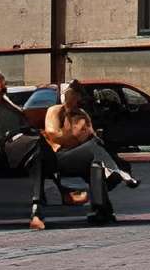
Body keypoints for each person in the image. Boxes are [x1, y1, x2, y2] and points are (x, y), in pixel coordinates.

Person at [30, 79, 125, 228]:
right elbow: (55, 135)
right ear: (64, 95)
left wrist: (85, 138)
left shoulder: (82, 114)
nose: (75, 99)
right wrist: (78, 137)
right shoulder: (55, 111)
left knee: (96, 162)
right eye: (71, 95)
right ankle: (115, 170)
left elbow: (92, 135)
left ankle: (102, 210)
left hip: (80, 155)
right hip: (58, 157)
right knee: (93, 148)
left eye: (77, 96)